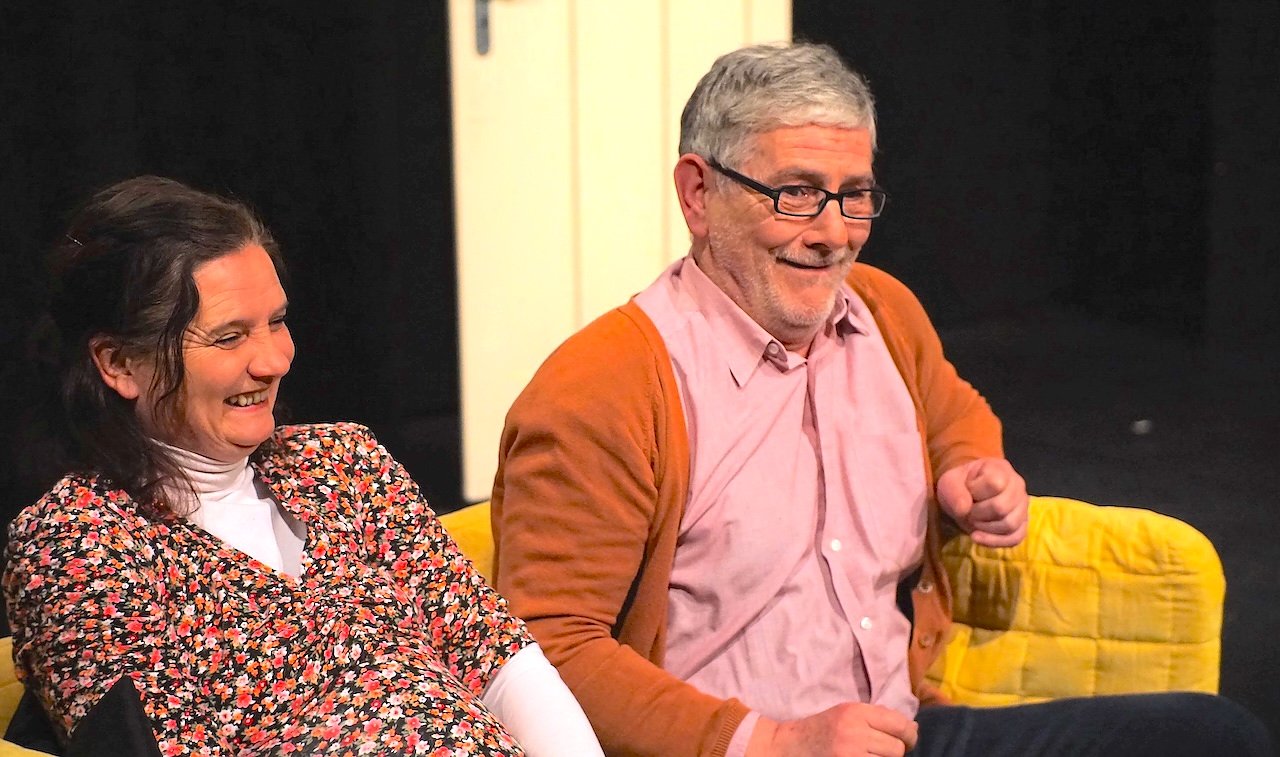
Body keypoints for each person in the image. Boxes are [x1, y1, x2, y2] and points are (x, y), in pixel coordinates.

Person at [489, 43, 1272, 757]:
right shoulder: (604, 386)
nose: (834, 232)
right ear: (699, 193)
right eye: (797, 193)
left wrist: (970, 465)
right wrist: (769, 741)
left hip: (901, 732)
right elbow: (543, 649)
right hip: (742, 749)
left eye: (854, 195)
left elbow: (952, 405)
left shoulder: (882, 312)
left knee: (1213, 735)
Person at [3, 176, 604, 756]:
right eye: (228, 337)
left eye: (276, 321)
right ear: (118, 364)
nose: (273, 361)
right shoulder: (80, 544)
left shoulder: (345, 463)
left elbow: (499, 661)